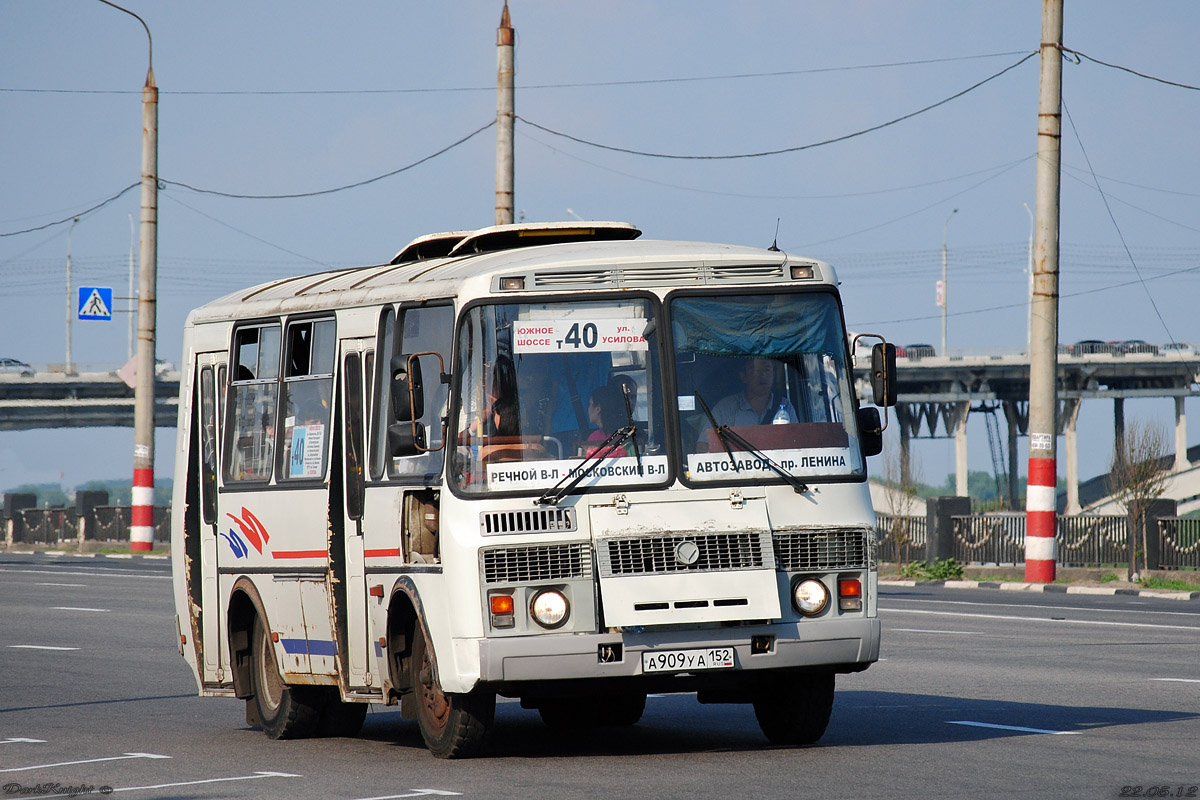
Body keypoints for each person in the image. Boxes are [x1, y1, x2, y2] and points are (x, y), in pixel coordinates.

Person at [699, 358, 798, 447]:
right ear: (743, 376)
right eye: (755, 370)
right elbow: (703, 446)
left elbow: (797, 442)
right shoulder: (726, 407)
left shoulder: (784, 406)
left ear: (773, 375)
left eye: (767, 369)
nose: (762, 374)